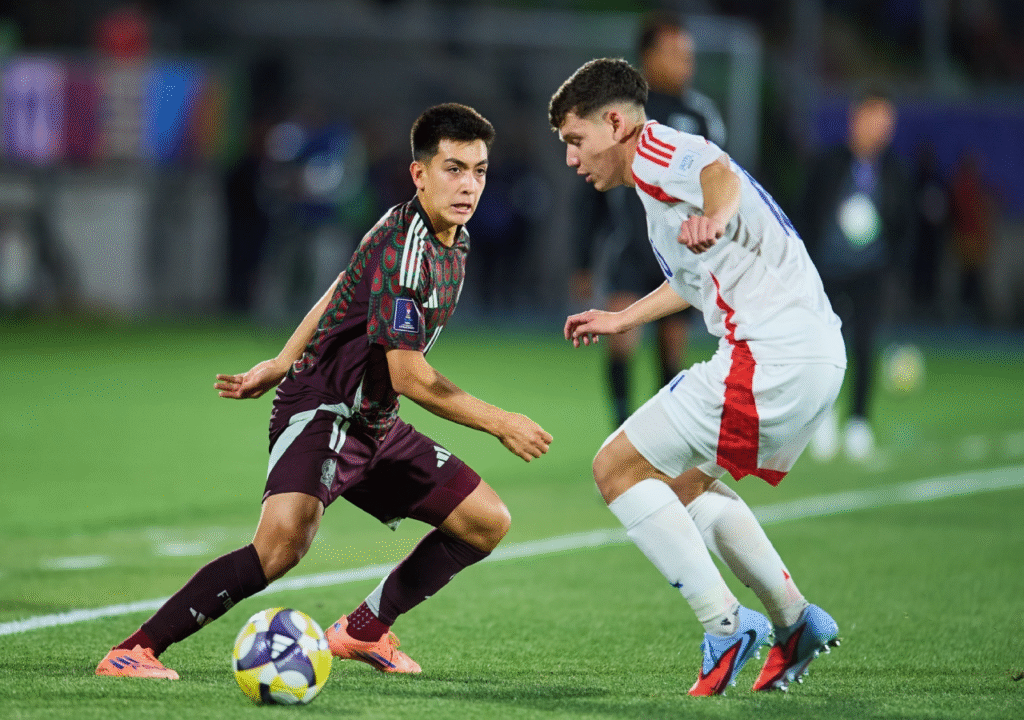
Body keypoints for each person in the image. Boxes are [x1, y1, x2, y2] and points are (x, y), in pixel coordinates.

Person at [95, 103, 552, 680]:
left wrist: (279, 359)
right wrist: (499, 420)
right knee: (281, 546)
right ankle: (134, 650)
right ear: (419, 174)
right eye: (453, 169)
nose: (469, 185)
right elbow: (412, 377)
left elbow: (345, 280)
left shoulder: (450, 239)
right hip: (324, 407)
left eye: (480, 171)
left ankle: (363, 631)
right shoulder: (405, 250)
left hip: (374, 421)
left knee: (486, 520)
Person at [550, 58, 844, 695]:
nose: (573, 159)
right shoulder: (657, 195)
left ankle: (725, 625)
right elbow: (690, 282)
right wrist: (621, 316)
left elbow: (719, 172)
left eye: (576, 141)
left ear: (615, 122)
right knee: (677, 484)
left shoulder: (655, 148)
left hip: (769, 355)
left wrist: (715, 214)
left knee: (615, 468)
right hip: (813, 354)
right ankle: (795, 623)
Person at [571, 12, 727, 428]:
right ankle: (621, 426)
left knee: (671, 350)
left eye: (688, 55)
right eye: (675, 54)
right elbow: (592, 190)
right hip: (632, 247)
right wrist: (582, 259)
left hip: (680, 251)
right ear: (647, 57)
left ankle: (662, 434)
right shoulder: (620, 116)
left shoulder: (701, 115)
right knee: (620, 337)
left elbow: (720, 182)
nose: (685, 63)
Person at [800, 89, 913, 462]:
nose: (880, 130)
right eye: (875, 120)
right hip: (826, 270)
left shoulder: (894, 169)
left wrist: (893, 264)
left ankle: (859, 422)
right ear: (856, 120)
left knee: (864, 344)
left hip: (870, 272)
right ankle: (822, 419)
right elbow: (804, 209)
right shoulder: (828, 163)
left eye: (887, 124)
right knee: (823, 349)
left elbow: (903, 223)